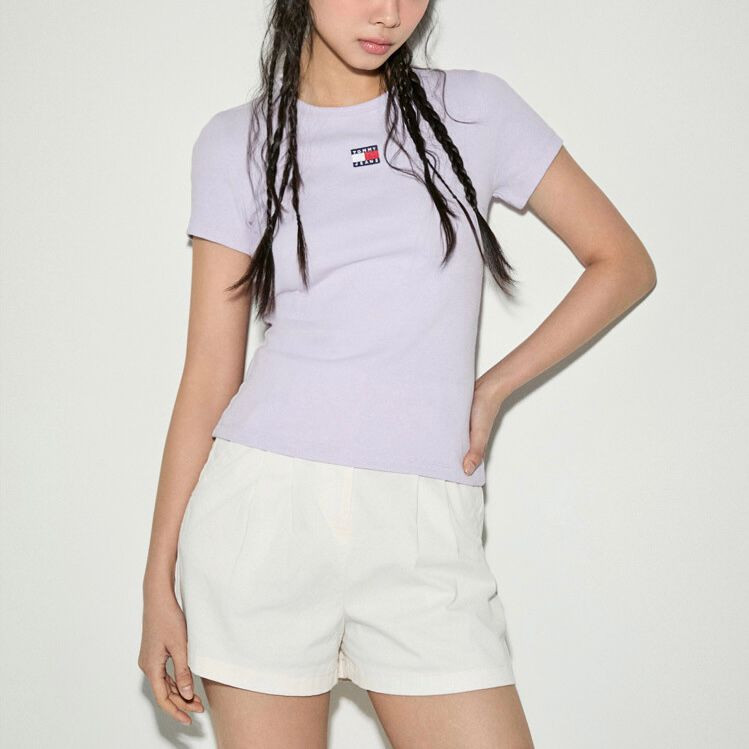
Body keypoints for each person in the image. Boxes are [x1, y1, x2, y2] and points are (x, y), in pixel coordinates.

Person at [138, 1, 657, 746]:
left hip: (424, 527)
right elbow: (208, 375)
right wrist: (157, 581)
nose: (388, 13)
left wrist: (492, 388)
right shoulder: (236, 142)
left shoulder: (475, 111)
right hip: (263, 520)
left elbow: (622, 263)